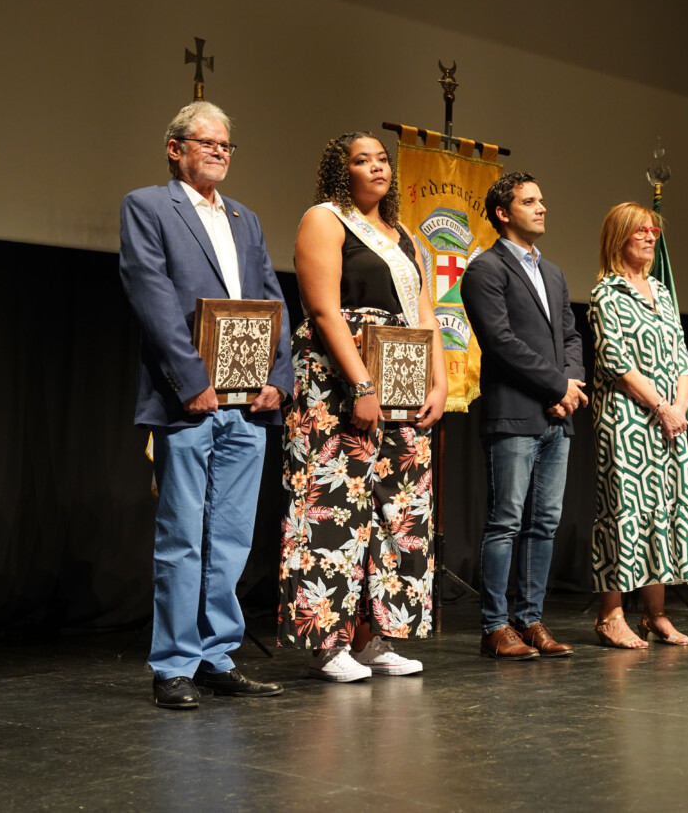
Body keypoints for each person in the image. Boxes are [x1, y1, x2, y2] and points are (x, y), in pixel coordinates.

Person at [119, 101, 291, 707]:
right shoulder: (147, 206)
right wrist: (191, 379)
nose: (219, 151)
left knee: (232, 538)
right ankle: (173, 665)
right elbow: (153, 297)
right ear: (176, 148)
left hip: (248, 405)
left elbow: (273, 300)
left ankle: (218, 655)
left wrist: (279, 374)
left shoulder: (245, 218)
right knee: (183, 536)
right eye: (207, 142)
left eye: (226, 144)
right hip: (187, 400)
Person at [279, 132, 446, 681]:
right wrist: (363, 385)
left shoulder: (405, 238)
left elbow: (425, 315)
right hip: (339, 381)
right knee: (332, 505)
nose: (377, 167)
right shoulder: (325, 219)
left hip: (403, 380)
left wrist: (438, 383)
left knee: (399, 512)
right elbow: (324, 310)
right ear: (341, 171)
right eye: (362, 160)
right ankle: (329, 643)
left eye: (382, 159)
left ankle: (381, 637)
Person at [459, 171, 585, 660]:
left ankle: (531, 620)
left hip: (558, 415)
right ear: (502, 213)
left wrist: (569, 388)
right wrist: (557, 385)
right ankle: (494, 626)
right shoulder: (485, 270)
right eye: (530, 201)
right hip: (514, 413)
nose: (542, 207)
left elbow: (571, 337)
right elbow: (501, 343)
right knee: (506, 520)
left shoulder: (552, 273)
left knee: (545, 522)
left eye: (542, 199)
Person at [588, 203, 688, 648]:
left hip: (669, 419)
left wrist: (678, 405)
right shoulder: (608, 294)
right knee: (626, 513)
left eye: (653, 230)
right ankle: (611, 615)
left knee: (665, 509)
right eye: (640, 230)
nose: (649, 237)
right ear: (618, 236)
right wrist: (661, 405)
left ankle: (654, 614)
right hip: (627, 418)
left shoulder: (661, 291)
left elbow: (681, 356)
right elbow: (615, 361)